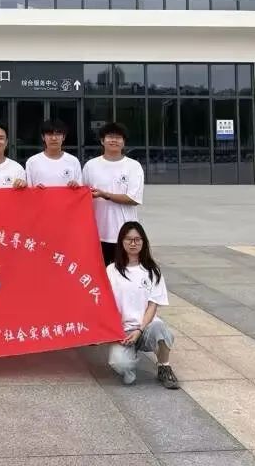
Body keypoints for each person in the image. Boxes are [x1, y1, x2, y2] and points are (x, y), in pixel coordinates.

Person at [106, 221, 178, 390]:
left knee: (160, 328)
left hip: (145, 326)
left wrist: (139, 329)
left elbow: (153, 305)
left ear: (143, 242)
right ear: (121, 242)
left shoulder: (152, 270)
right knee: (120, 364)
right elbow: (107, 304)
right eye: (128, 239)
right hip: (122, 330)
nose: (133, 243)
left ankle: (164, 366)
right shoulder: (111, 270)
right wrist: (115, 331)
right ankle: (129, 364)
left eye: (137, 239)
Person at [83, 122, 145, 266]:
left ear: (123, 142)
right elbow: (82, 195)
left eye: (118, 138)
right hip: (97, 234)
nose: (114, 140)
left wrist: (105, 195)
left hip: (124, 234)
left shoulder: (133, 166)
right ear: (102, 141)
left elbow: (133, 199)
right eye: (110, 137)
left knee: (124, 273)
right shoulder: (91, 166)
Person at [24, 120, 82, 188]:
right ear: (43, 137)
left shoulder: (73, 161)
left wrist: (75, 186)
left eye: (58, 134)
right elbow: (28, 190)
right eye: (49, 134)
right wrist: (36, 191)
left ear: (63, 137)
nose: (54, 138)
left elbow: (80, 189)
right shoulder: (32, 162)